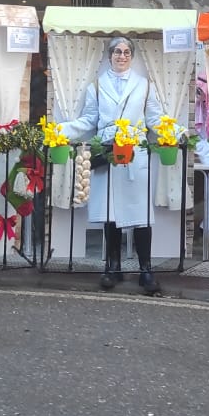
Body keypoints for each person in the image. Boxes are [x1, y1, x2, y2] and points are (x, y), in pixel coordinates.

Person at [64, 35, 165, 296]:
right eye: (117, 52)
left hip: (134, 152)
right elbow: (88, 120)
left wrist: (175, 132)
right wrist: (60, 131)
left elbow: (154, 118)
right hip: (107, 149)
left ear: (132, 56)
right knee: (110, 211)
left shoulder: (144, 85)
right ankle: (113, 265)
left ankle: (146, 269)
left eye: (126, 52)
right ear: (109, 56)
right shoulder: (96, 86)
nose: (121, 56)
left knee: (140, 212)